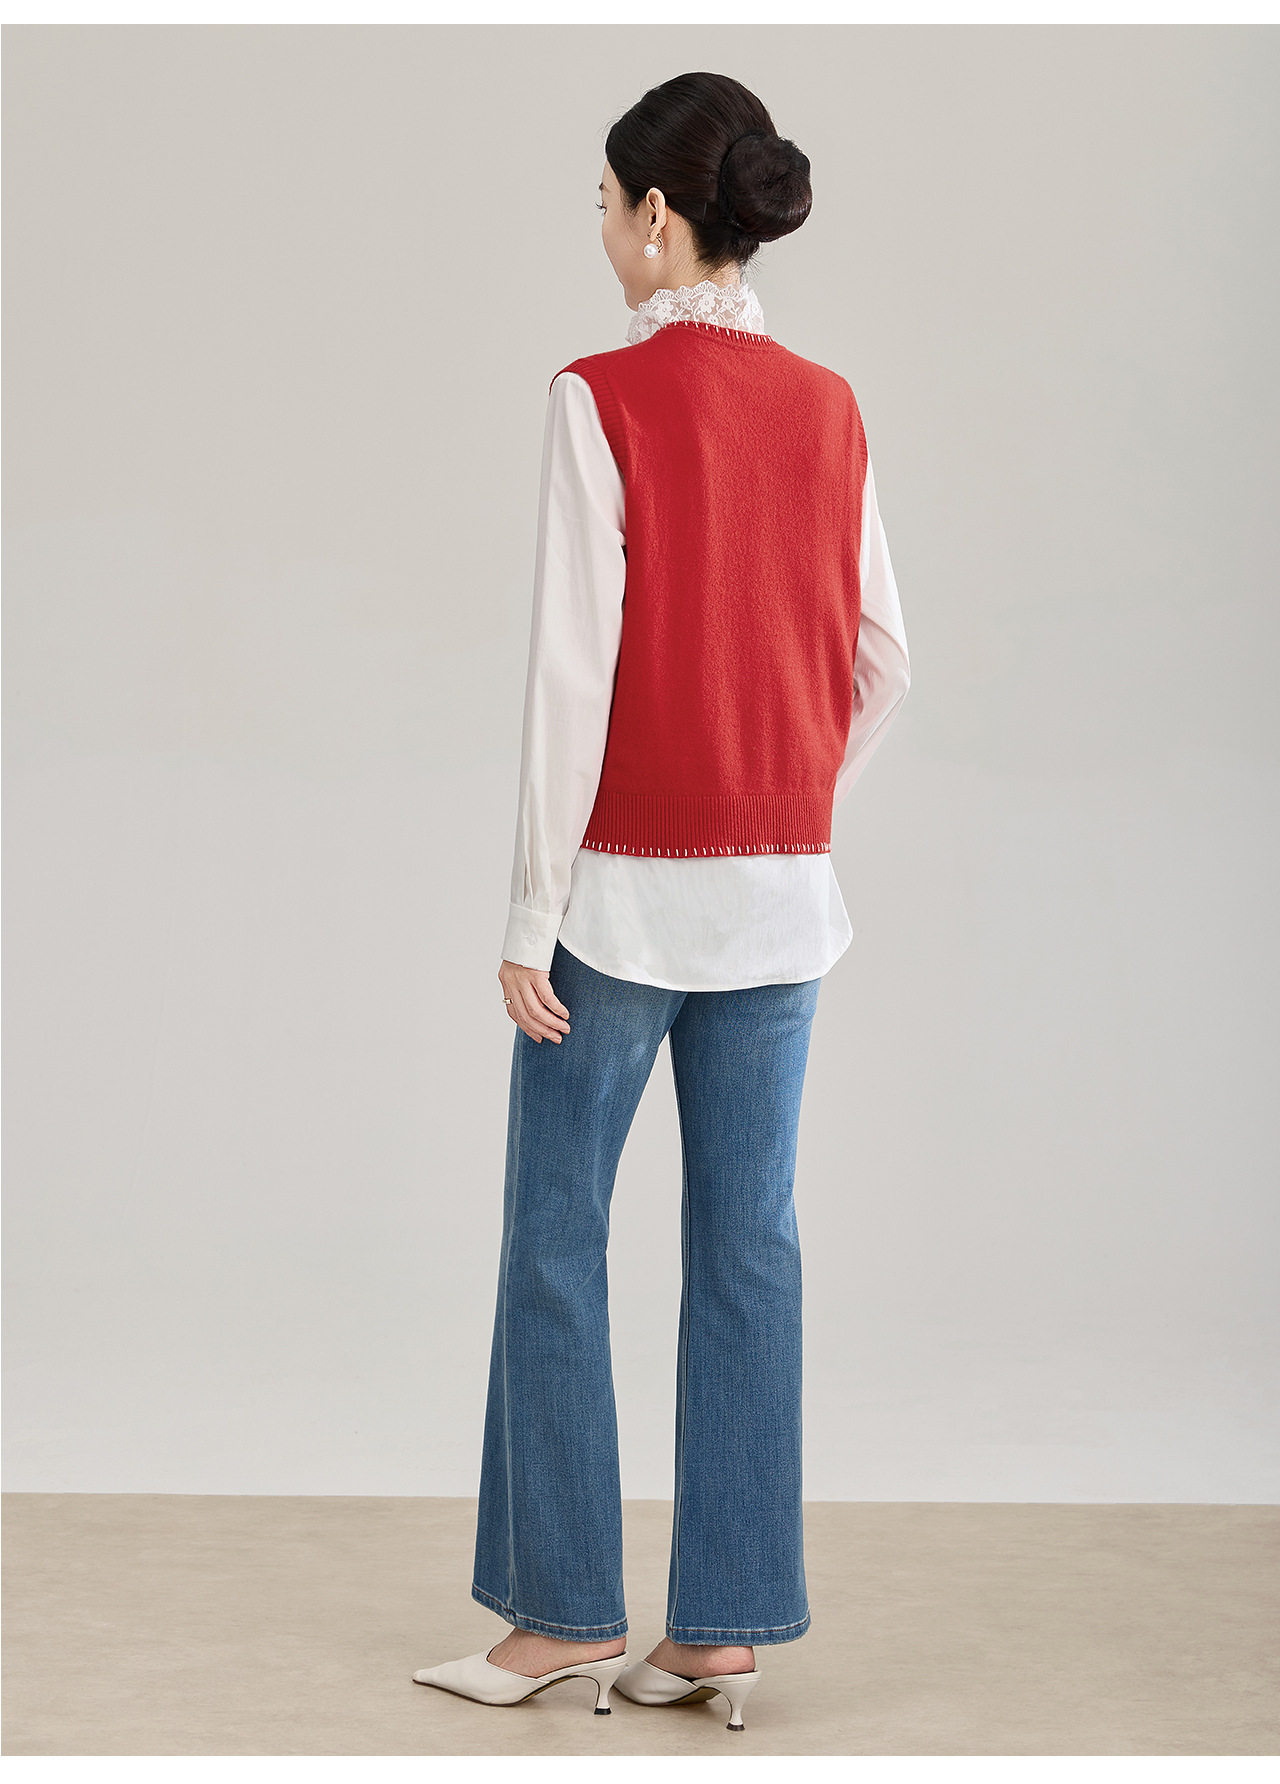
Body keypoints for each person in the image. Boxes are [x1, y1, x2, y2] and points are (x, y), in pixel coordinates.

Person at [413, 70, 911, 1733]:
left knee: (557, 1238)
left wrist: (524, 911)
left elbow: (572, 681)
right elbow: (882, 659)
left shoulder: (600, 397)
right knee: (749, 1246)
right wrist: (791, 800)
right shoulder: (831, 407)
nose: (602, 232)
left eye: (604, 204)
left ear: (653, 213)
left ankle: (558, 1615)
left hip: (620, 899)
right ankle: (723, 1633)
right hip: (783, 900)